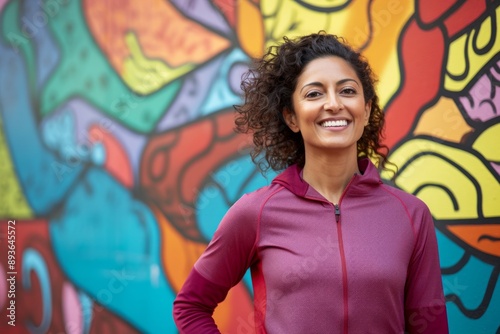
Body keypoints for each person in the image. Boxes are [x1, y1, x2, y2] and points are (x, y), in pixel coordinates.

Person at [173, 31, 448, 333]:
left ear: (366, 110)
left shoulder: (410, 215)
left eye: (347, 91)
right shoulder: (256, 212)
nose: (333, 104)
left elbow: (429, 326)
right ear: (291, 117)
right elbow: (191, 306)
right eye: (314, 94)